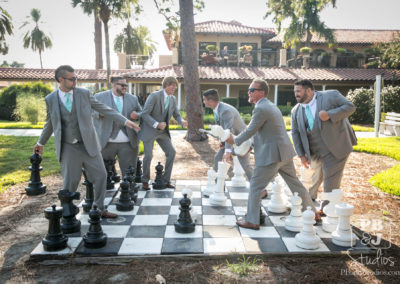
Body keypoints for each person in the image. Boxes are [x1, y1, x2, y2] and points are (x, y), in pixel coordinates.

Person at [34, 65, 139, 219]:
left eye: (76, 78)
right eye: (72, 79)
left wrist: (125, 121)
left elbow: (104, 108)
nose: (75, 81)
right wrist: (40, 143)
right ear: (60, 79)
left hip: (89, 144)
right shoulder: (50, 99)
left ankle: (99, 208)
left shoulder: (83, 93)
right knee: (70, 182)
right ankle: (68, 215)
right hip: (68, 146)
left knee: (101, 176)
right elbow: (50, 123)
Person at [226, 78, 319, 230]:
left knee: (256, 186)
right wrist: (250, 145)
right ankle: (311, 212)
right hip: (283, 153)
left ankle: (252, 220)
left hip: (273, 155)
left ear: (261, 92)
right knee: (295, 183)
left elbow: (250, 130)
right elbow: (264, 132)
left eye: (251, 90)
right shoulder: (268, 105)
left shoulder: (261, 108)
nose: (248, 93)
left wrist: (234, 140)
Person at [291, 79, 357, 212]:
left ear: (309, 90)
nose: (296, 94)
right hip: (315, 152)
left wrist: (330, 115)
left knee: (330, 180)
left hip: (336, 146)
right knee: (316, 175)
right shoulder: (296, 111)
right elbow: (295, 133)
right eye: (295, 91)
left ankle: (327, 209)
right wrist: (302, 155)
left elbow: (350, 107)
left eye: (298, 91)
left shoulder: (330, 95)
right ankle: (311, 197)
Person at [202, 89, 267, 199]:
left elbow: (229, 131)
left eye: (204, 100)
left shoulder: (225, 110)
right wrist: (223, 142)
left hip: (242, 142)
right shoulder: (217, 108)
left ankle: (261, 190)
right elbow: (223, 130)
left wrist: (227, 151)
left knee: (246, 166)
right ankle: (219, 188)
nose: (203, 102)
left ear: (211, 100)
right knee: (218, 158)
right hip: (231, 140)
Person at [139, 76, 188, 190]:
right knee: (148, 156)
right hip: (150, 130)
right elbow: (145, 114)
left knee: (171, 152)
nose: (175, 88)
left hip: (163, 132)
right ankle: (145, 180)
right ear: (166, 85)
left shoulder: (173, 99)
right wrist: (156, 124)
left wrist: (181, 121)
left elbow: (176, 114)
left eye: (176, 86)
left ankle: (166, 181)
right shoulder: (154, 96)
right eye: (173, 85)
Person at [93, 75, 142, 177]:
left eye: (126, 85)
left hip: (129, 143)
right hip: (106, 142)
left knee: (129, 175)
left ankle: (128, 193)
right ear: (114, 85)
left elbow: (141, 113)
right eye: (122, 85)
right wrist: (99, 114)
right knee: (103, 176)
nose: (125, 87)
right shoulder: (99, 97)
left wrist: (137, 115)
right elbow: (90, 111)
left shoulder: (133, 98)